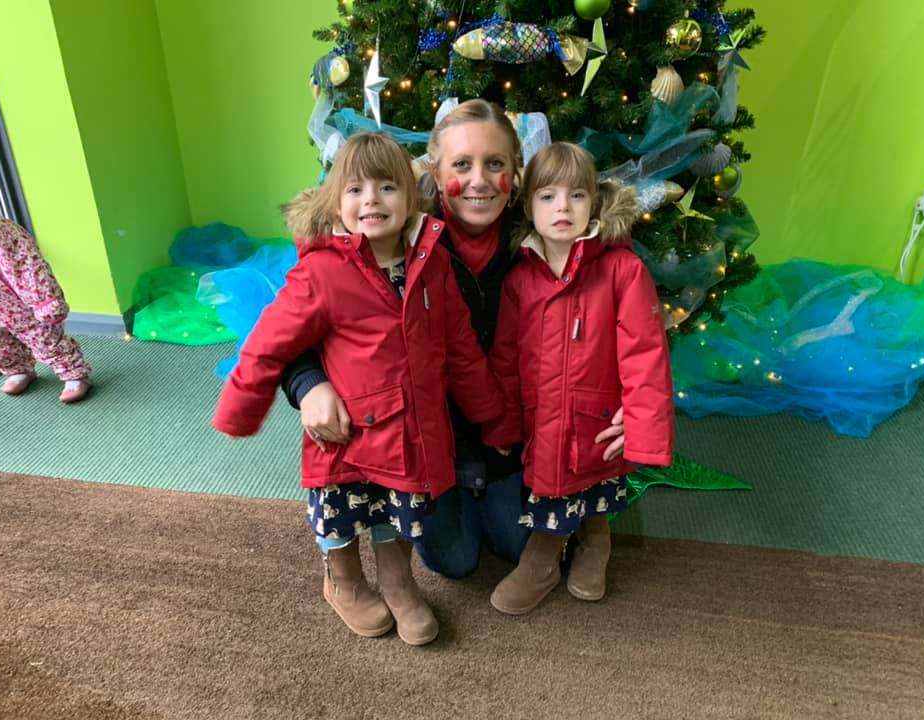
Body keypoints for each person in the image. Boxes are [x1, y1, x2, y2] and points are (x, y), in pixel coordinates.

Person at [283, 100, 627, 578]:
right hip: (429, 438)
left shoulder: (550, 230)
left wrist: (629, 398)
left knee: (518, 544)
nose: (479, 180)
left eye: (496, 164)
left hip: (520, 438)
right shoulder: (392, 235)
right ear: (433, 171)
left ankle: (575, 521)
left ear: (517, 172)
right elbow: (292, 330)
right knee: (455, 560)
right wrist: (309, 384)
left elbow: (625, 318)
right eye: (461, 165)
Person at [212, 133, 502, 645]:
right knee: (341, 517)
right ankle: (342, 582)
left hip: (410, 432)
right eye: (355, 189)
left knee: (398, 516)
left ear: (412, 199)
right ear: (336, 204)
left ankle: (397, 583)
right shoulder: (321, 270)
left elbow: (460, 349)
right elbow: (269, 342)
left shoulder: (431, 264)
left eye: (387, 186)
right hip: (346, 435)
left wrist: (492, 415)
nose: (371, 199)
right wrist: (240, 410)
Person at [483, 142, 675, 614]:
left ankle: (560, 552)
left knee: (593, 484)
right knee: (552, 481)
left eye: (576, 196)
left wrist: (641, 422)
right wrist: (504, 423)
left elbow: (645, 354)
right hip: (542, 416)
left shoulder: (623, 271)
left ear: (595, 202)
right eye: (547, 196)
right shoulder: (519, 278)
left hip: (599, 417)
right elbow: (505, 359)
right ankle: (577, 544)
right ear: (528, 207)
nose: (562, 207)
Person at [0, 165, 91, 402]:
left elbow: (27, 267)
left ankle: (74, 375)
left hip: (16, 307)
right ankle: (18, 369)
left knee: (45, 339)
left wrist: (45, 301)